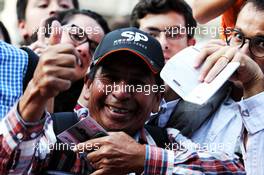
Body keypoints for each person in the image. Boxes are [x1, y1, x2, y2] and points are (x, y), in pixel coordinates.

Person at [0, 27, 245, 174]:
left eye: (138, 82)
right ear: (87, 85)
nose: (121, 92)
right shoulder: (52, 134)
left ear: (158, 98)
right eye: (111, 77)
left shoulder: (165, 142)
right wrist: (36, 94)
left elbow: (237, 170)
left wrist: (145, 160)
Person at [130, 0, 242, 156]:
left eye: (174, 34)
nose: (163, 44)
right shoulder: (112, 91)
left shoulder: (222, 97)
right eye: (151, 34)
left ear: (191, 44)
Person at [194, 0, 264, 174]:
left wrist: (255, 83)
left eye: (261, 43)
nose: (242, 53)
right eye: (238, 37)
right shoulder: (201, 84)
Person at [28, 9, 110, 112]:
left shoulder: (87, 111)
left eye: (94, 49)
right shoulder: (14, 65)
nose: (84, 49)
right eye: (76, 36)